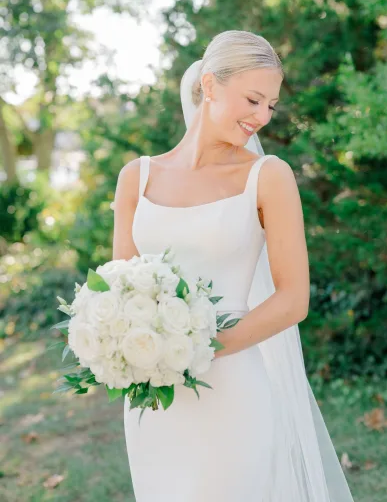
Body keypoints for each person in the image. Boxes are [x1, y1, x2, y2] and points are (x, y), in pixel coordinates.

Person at [112, 30, 355, 501]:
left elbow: (292, 300)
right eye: (253, 99)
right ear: (209, 86)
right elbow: (119, 290)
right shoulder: (135, 179)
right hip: (152, 397)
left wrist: (195, 349)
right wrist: (135, 349)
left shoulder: (269, 177)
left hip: (233, 391)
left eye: (271, 105)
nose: (262, 117)